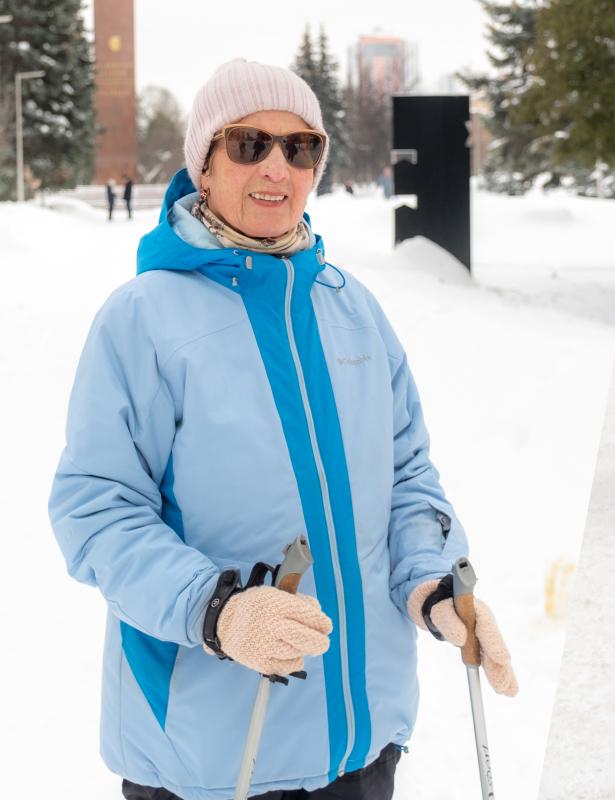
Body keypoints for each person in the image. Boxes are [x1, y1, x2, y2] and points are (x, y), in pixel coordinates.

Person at [48, 59, 517, 800]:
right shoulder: (144, 319)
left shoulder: (351, 307)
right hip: (210, 757)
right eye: (249, 144)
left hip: (360, 747)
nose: (277, 167)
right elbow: (96, 510)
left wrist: (431, 584)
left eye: (300, 148)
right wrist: (217, 609)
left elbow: (406, 477)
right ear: (203, 164)